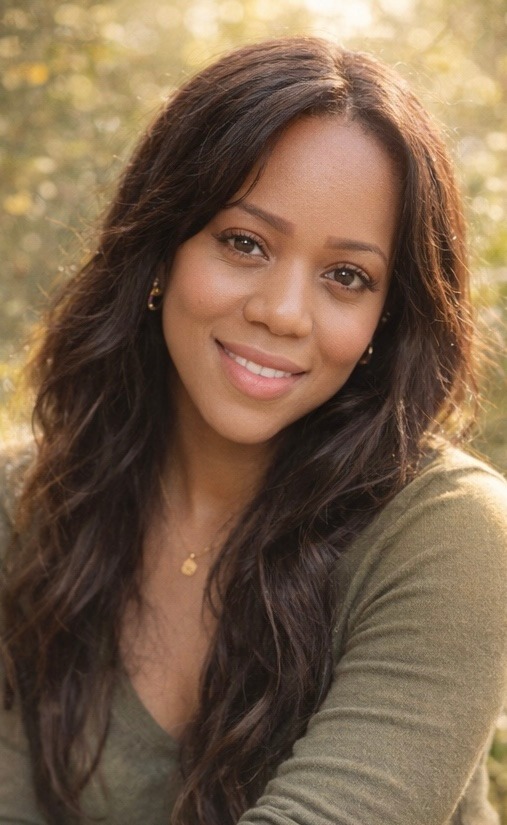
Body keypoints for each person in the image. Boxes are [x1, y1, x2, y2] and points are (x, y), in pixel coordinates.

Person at [0, 34, 506, 825]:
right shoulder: (25, 504)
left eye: (346, 276)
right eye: (244, 242)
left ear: (384, 314)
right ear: (160, 248)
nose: (282, 310)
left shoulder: (449, 535)